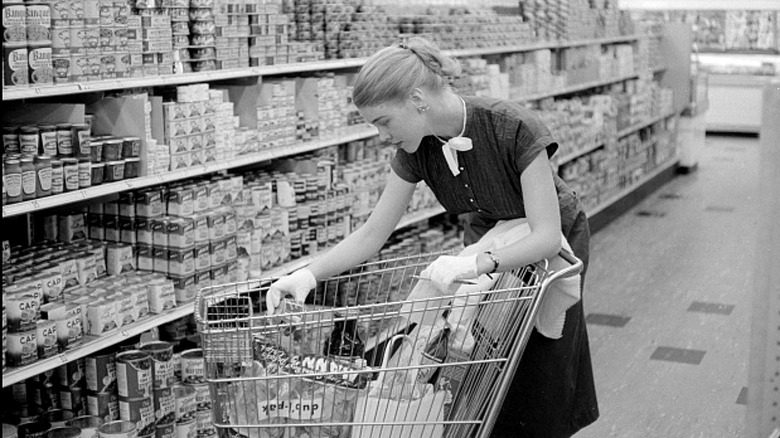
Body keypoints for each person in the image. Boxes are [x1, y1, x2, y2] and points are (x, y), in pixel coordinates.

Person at [266, 37, 599, 438]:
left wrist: (475, 264)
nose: (380, 134)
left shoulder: (512, 128)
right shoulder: (416, 151)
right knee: (484, 359)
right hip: (488, 237)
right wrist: (309, 274)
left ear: (417, 99)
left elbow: (546, 236)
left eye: (383, 121)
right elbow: (374, 232)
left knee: (540, 358)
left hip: (550, 241)